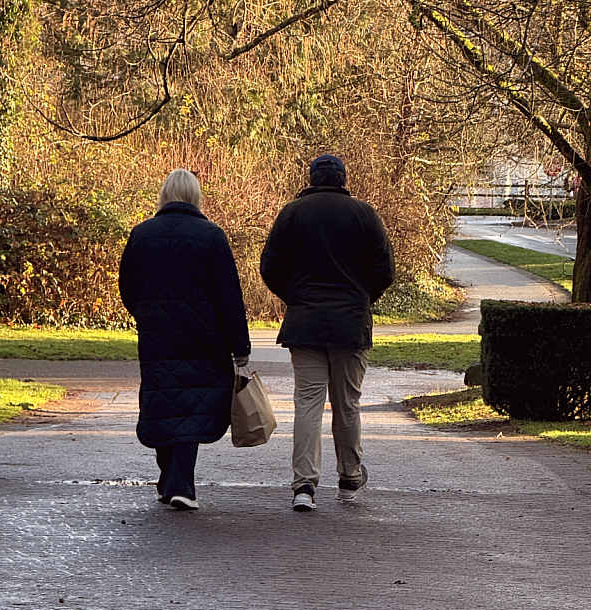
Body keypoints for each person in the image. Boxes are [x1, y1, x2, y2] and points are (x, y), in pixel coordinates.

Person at [260, 154, 395, 512]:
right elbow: (384, 269)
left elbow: (270, 265)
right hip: (350, 324)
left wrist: (295, 297)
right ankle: (350, 475)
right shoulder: (364, 215)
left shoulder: (292, 213)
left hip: (305, 323)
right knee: (347, 402)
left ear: (311, 178)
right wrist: (363, 298)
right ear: (342, 179)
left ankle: (304, 484)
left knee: (308, 403)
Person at [119, 168, 251, 511]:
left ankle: (170, 479)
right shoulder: (211, 236)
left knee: (165, 400)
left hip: (157, 334)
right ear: (196, 196)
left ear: (164, 195)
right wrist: (240, 348)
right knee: (190, 405)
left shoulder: (142, 235)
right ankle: (181, 486)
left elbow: (127, 287)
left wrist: (147, 314)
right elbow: (228, 296)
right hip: (205, 337)